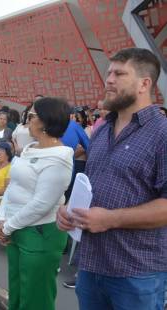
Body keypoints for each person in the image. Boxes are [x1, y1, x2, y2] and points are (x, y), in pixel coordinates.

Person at [57, 47, 167, 310]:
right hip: (91, 266)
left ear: (144, 84)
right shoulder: (102, 130)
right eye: (108, 73)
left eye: (119, 73)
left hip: (137, 272)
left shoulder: (162, 132)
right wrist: (69, 210)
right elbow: (92, 185)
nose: (109, 80)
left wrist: (110, 219)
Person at [0, 97, 73, 310]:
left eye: (30, 116)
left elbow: (42, 204)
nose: (26, 121)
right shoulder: (30, 148)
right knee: (18, 294)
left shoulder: (60, 157)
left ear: (46, 122)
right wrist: (1, 219)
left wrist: (8, 227)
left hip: (40, 235)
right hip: (15, 229)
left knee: (36, 299)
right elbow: (12, 187)